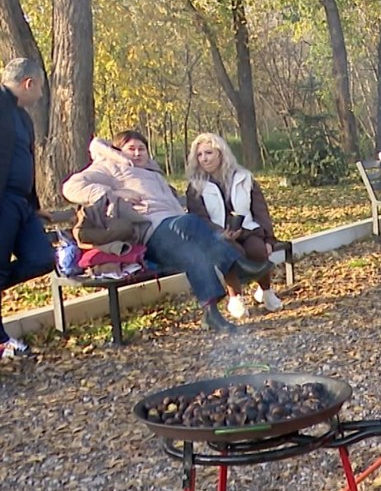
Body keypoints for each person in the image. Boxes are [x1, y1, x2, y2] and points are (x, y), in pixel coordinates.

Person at [63, 131, 272, 333]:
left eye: (142, 149)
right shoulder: (108, 167)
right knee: (189, 221)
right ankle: (235, 262)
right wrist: (114, 193)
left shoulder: (152, 171)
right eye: (131, 149)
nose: (137, 153)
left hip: (174, 233)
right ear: (118, 151)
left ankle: (211, 313)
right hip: (149, 233)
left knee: (193, 255)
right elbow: (71, 187)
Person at [185, 133, 283, 317]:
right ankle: (235, 297)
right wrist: (220, 232)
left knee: (258, 250)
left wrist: (269, 238)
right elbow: (199, 218)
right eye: (199, 155)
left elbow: (261, 210)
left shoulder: (244, 178)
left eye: (209, 153)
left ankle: (266, 291)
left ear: (221, 153)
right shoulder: (196, 186)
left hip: (248, 229)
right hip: (217, 236)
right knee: (230, 252)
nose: (204, 158)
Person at [0, 58, 54, 358]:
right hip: (2, 201)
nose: (41, 97)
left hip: (22, 204)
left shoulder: (24, 118)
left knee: (42, 258)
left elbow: (26, 160)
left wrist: (35, 205)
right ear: (28, 83)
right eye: (40, 88)